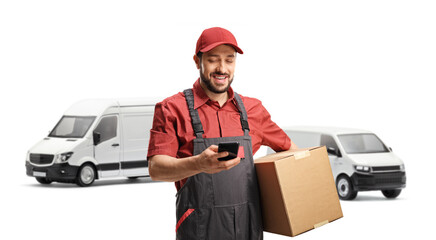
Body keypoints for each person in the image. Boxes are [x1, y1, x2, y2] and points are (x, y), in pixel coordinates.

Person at [147, 27, 297, 240]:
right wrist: (198, 164)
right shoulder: (171, 109)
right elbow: (156, 168)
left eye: (229, 60)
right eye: (213, 60)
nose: (222, 68)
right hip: (199, 231)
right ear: (196, 61)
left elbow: (292, 154)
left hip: (248, 229)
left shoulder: (254, 110)